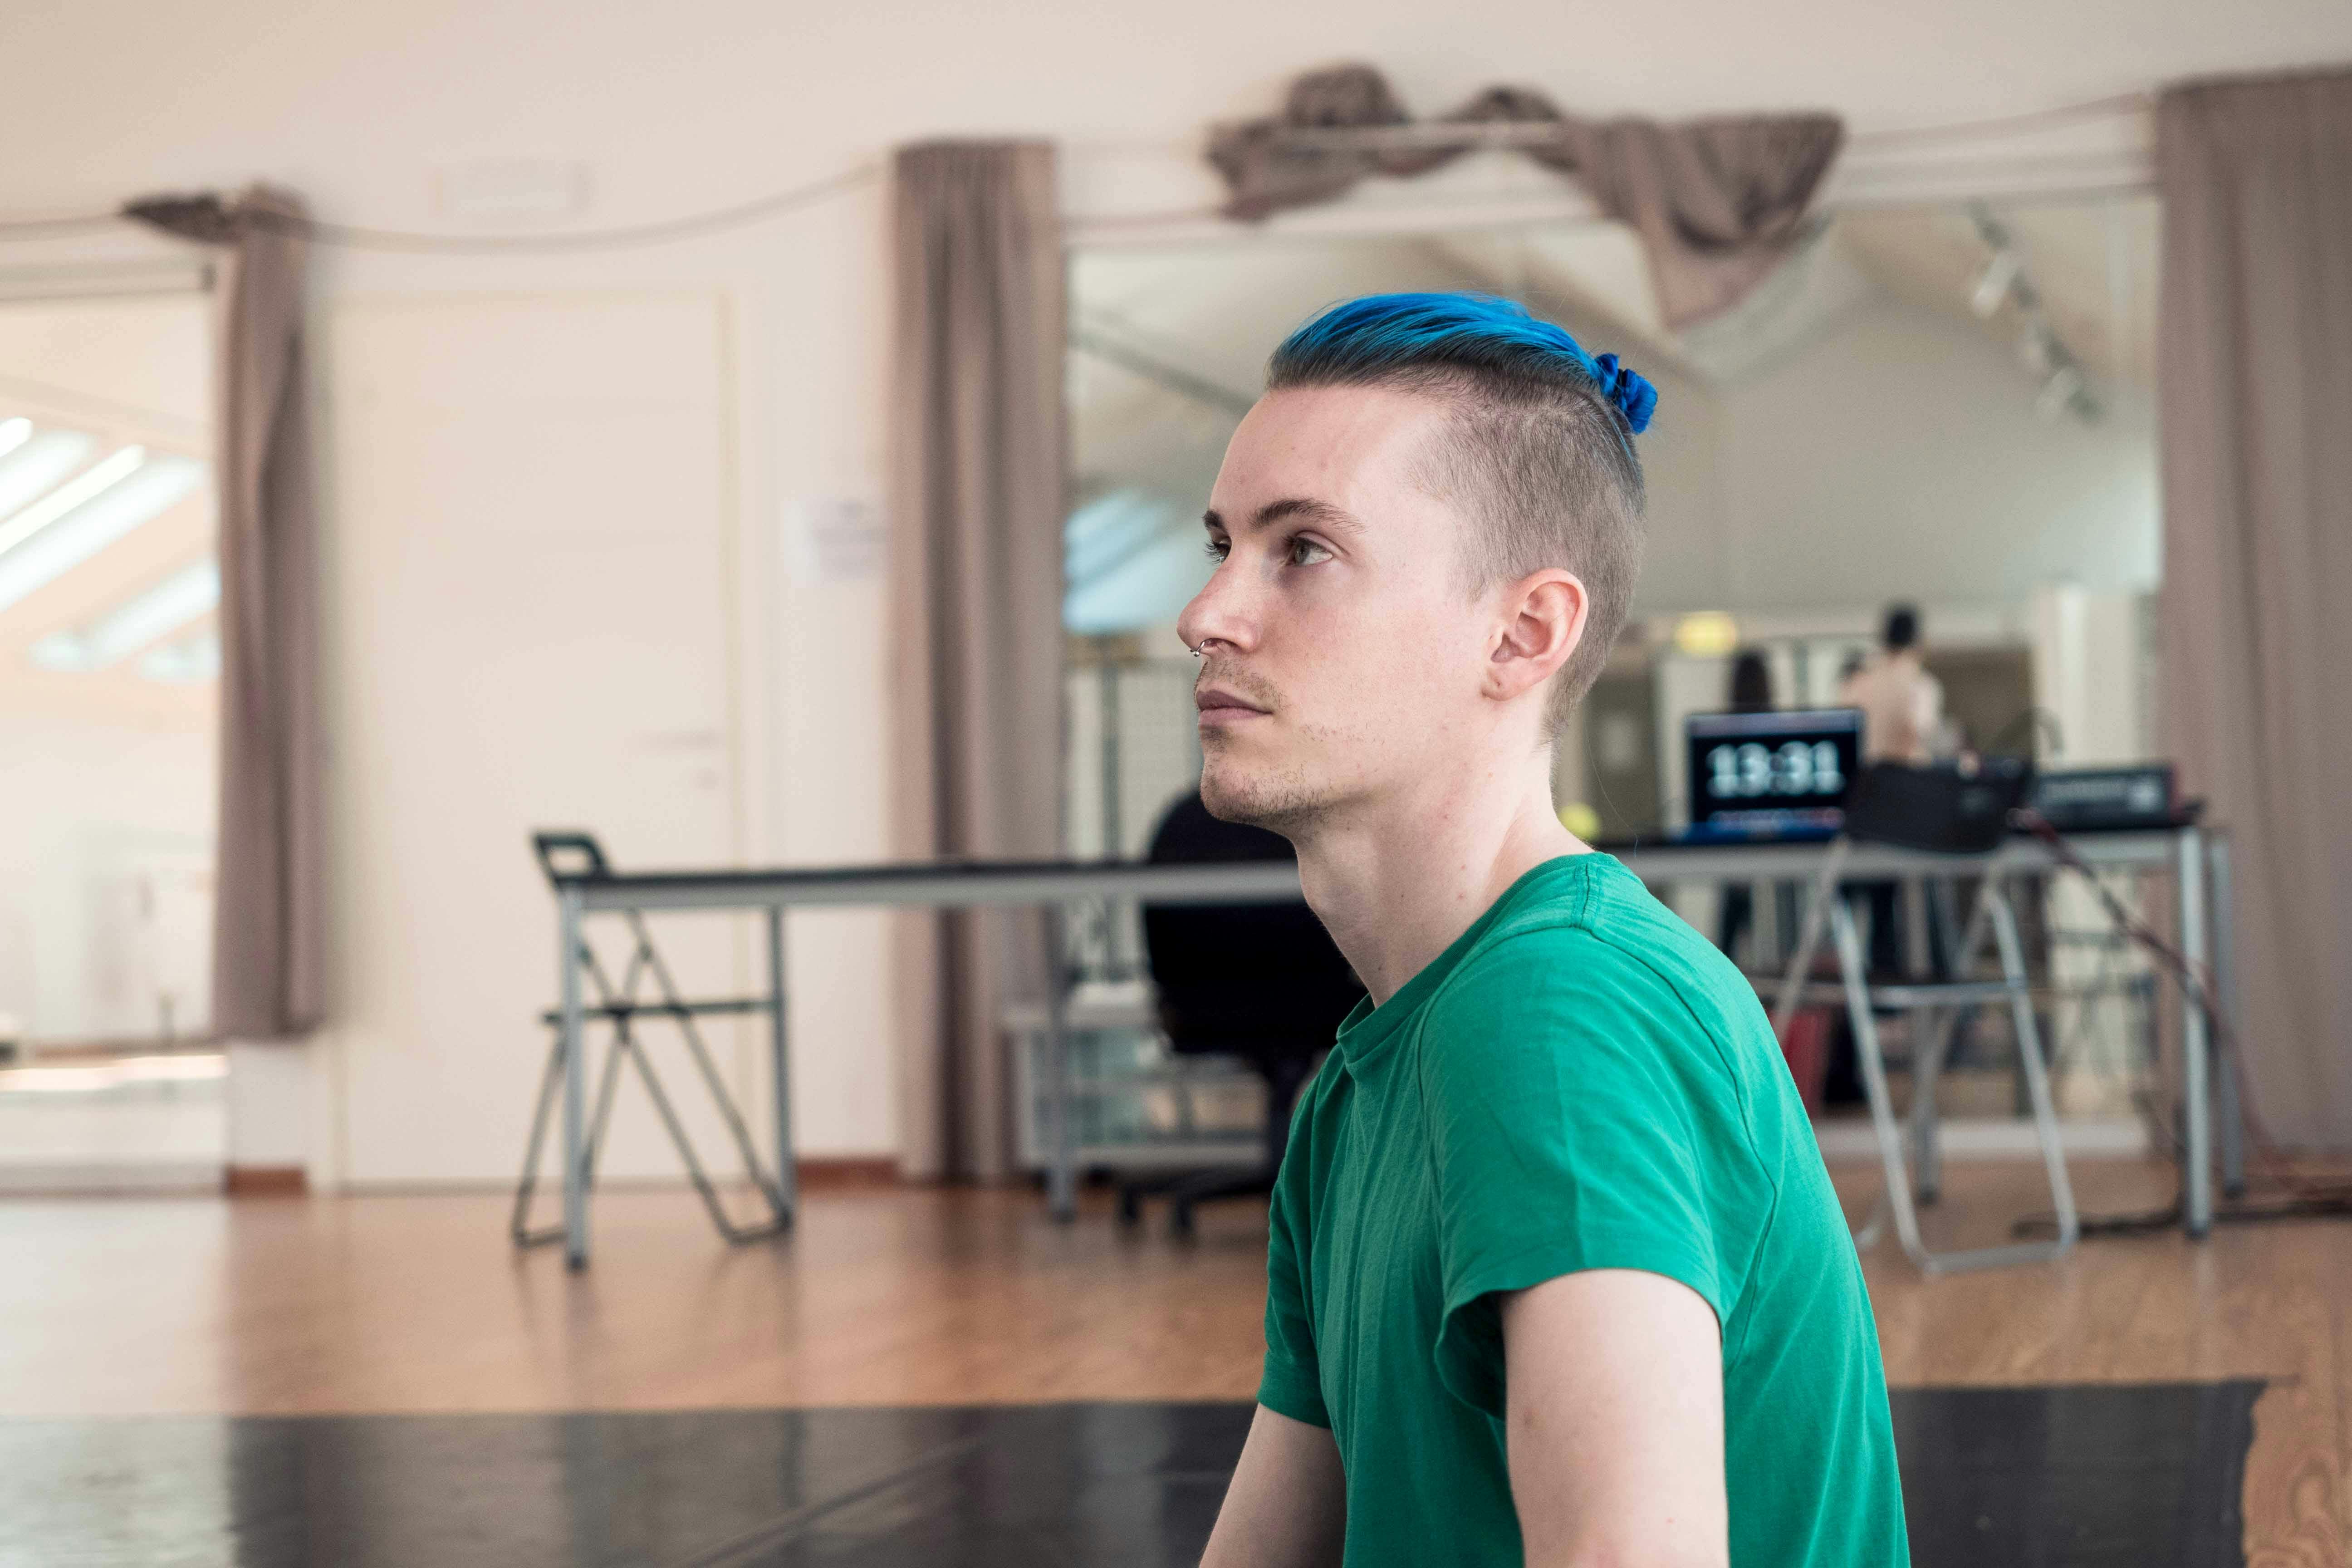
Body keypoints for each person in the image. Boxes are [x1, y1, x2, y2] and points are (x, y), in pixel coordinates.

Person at [1184, 294, 1905, 1568]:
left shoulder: (1560, 1012)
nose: (1208, 614)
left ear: (1524, 634)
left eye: (1302, 551)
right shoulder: (1354, 1096)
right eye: (1221, 544)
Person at [1840, 604, 1943, 765]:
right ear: (1919, 642)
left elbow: (1846, 738)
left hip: (1866, 779)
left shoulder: (1857, 683)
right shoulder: (1921, 686)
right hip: (1905, 778)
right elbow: (1918, 734)